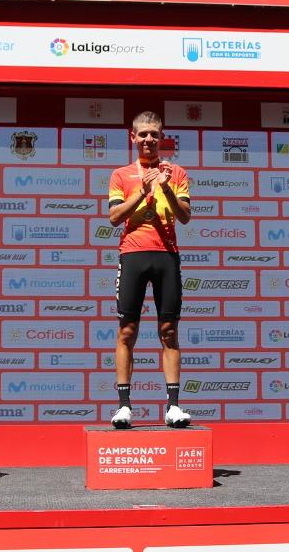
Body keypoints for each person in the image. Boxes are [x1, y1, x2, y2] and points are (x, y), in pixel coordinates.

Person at [107, 111, 192, 429]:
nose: (148, 139)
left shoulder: (177, 172)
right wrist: (142, 193)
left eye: (154, 134)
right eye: (143, 134)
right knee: (127, 331)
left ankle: (173, 405)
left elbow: (185, 216)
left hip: (166, 256)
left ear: (162, 138)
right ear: (133, 137)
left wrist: (166, 188)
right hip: (132, 255)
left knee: (169, 331)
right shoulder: (121, 174)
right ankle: (124, 406)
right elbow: (114, 217)